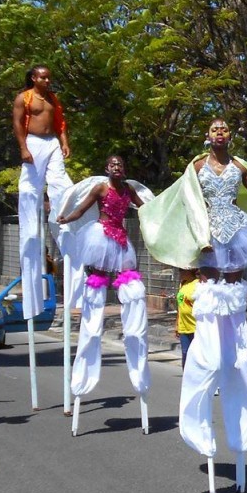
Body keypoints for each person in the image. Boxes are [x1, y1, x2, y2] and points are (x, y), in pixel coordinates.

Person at [140, 118, 247, 493]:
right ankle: (209, 348)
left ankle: (233, 345)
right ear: (207, 136)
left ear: (230, 136)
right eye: (214, 128)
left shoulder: (239, 167)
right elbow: (185, 202)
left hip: (236, 231)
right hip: (208, 234)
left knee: (233, 293)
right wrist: (187, 232)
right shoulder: (196, 167)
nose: (219, 132)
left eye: (224, 128)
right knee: (211, 291)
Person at [57, 156, 153, 404]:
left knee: (128, 278)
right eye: (113, 165)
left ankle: (131, 315)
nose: (117, 167)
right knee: (98, 278)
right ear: (107, 169)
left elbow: (143, 208)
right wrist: (67, 218)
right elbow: (82, 209)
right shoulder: (100, 188)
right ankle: (92, 309)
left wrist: (159, 214)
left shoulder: (128, 189)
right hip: (101, 233)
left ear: (125, 169)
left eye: (120, 164)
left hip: (120, 237)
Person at [12, 66, 73, 319]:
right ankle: (31, 224)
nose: (47, 80)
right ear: (34, 78)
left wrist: (64, 142)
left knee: (61, 183)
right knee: (30, 188)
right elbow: (17, 124)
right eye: (43, 77)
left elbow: (60, 123)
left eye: (49, 77)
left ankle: (63, 215)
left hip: (52, 143)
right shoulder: (24, 98)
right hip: (34, 142)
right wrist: (23, 148)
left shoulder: (52, 98)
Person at [175, 269, 198, 367]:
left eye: (181, 271)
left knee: (196, 355)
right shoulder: (182, 284)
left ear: (188, 271)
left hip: (195, 327)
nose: (179, 273)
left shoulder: (197, 284)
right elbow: (180, 306)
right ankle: (186, 375)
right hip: (183, 327)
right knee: (185, 353)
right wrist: (177, 324)